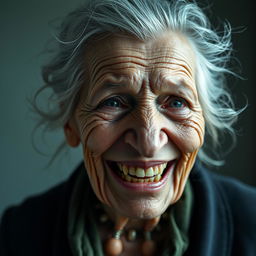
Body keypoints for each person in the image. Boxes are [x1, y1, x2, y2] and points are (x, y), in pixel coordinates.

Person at [1, 0, 256, 255]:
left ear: (202, 119)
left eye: (177, 102)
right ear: (71, 125)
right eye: (113, 102)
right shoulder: (19, 233)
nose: (148, 141)